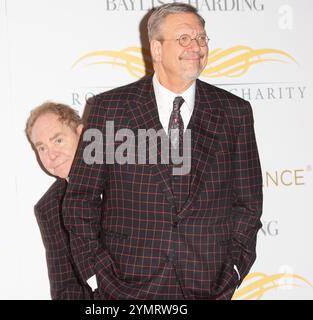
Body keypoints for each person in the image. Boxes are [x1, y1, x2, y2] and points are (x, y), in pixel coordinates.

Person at [63, 3, 263, 300]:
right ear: (156, 49)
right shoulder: (110, 109)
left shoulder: (234, 112)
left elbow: (247, 203)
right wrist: (96, 275)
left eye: (202, 38)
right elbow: (81, 199)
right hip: (125, 286)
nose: (196, 46)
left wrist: (233, 269)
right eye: (184, 38)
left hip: (208, 285)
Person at [25, 102, 92, 300]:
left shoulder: (130, 178)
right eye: (42, 148)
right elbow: (65, 287)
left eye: (58, 140)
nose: (51, 155)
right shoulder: (49, 208)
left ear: (81, 135)